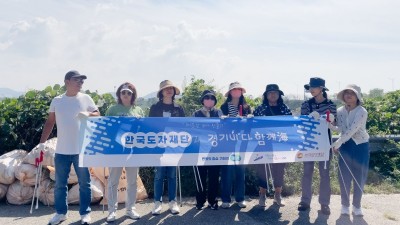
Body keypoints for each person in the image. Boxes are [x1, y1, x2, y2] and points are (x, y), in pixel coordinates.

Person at [38, 70, 100, 225]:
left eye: (82, 81)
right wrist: (41, 143)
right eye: (77, 80)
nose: (80, 83)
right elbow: (50, 122)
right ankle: (60, 213)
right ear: (67, 81)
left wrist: (87, 114)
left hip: (81, 150)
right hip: (61, 151)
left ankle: (85, 213)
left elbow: (97, 114)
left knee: (85, 183)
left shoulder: (86, 98)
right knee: (60, 184)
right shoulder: (57, 101)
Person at [105, 82, 144, 222]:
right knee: (113, 181)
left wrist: (141, 122)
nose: (126, 95)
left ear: (133, 95)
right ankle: (112, 211)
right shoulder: (112, 109)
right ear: (119, 94)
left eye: (129, 93)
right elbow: (106, 127)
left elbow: (143, 131)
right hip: (115, 150)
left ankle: (130, 209)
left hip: (133, 151)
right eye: (123, 92)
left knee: (132, 181)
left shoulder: (138, 110)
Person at [298, 77, 337, 215]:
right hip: (309, 143)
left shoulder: (331, 105)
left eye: (314, 87)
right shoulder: (305, 105)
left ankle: (325, 204)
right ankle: (305, 201)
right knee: (307, 173)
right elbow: (302, 124)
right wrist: (310, 119)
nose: (311, 90)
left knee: (324, 174)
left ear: (321, 89)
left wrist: (331, 122)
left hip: (325, 143)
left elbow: (334, 126)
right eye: (310, 87)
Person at [331, 84, 369, 217]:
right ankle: (345, 205)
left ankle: (357, 206)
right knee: (344, 177)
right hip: (346, 146)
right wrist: (330, 124)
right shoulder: (340, 110)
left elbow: (353, 130)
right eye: (346, 93)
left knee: (359, 176)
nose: (348, 95)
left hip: (361, 146)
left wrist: (337, 143)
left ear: (357, 96)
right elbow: (341, 128)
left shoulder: (362, 112)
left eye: (351, 93)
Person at [149, 80, 185, 215]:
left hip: (174, 147)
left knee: (172, 175)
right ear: (161, 92)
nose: (169, 90)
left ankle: (172, 202)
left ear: (174, 91)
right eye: (166, 89)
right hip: (159, 147)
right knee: (159, 175)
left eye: (171, 88)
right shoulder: (154, 108)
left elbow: (184, 127)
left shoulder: (179, 108)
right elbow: (150, 127)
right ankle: (157, 203)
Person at [253, 84, 292, 207]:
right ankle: (262, 195)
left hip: (280, 144)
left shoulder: (285, 108)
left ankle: (277, 195)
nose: (273, 94)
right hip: (263, 144)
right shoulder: (260, 108)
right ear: (266, 95)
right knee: (262, 170)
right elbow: (253, 125)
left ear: (279, 95)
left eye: (275, 92)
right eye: (270, 93)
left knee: (279, 170)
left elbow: (291, 124)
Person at [220, 81, 252, 209]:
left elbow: (249, 126)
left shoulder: (246, 107)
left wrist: (249, 118)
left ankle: (240, 198)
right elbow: (221, 125)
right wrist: (225, 119)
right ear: (230, 92)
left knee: (240, 171)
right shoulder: (224, 106)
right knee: (227, 172)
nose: (236, 91)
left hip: (242, 143)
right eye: (234, 90)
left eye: (239, 89)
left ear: (241, 92)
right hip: (228, 143)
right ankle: (226, 199)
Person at [193, 90, 222, 210]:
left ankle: (212, 200)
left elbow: (224, 128)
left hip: (215, 149)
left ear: (215, 101)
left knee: (214, 176)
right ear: (202, 100)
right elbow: (192, 130)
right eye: (207, 98)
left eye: (212, 98)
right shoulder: (196, 113)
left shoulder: (219, 112)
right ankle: (200, 201)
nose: (209, 100)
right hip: (200, 149)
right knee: (200, 176)